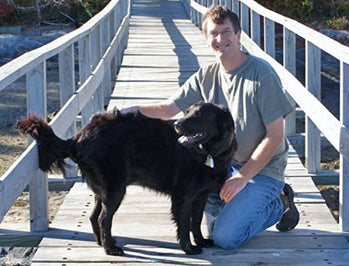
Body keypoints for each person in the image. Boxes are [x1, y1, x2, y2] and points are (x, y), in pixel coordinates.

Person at [120, 5, 299, 249]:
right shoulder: (207, 74)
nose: (220, 39)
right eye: (213, 34)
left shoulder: (261, 75)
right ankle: (239, 202)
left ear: (238, 35)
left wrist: (243, 177)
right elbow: (167, 110)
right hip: (221, 164)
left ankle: (279, 204)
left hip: (262, 169)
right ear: (206, 38)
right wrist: (128, 112)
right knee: (212, 230)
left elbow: (275, 136)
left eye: (226, 32)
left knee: (227, 238)